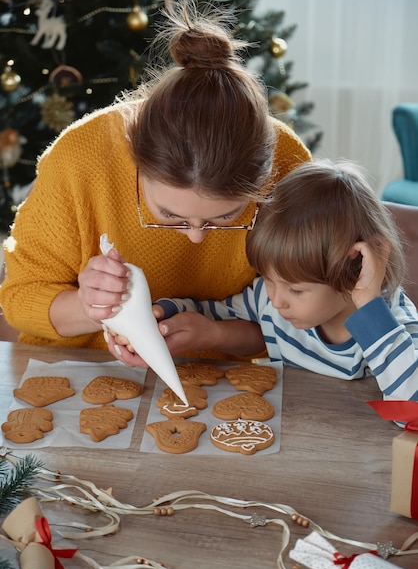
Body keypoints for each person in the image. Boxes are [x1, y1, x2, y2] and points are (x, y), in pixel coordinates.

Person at [0, 0, 310, 360]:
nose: (195, 236)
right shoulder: (80, 159)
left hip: (221, 379)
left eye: (225, 217)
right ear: (134, 157)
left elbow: (305, 321)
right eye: (169, 214)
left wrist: (214, 333)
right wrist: (91, 307)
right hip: (83, 369)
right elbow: (19, 300)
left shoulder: (287, 163)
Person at [153, 159, 418, 400]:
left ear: (355, 268)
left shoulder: (390, 323)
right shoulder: (268, 298)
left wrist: (370, 306)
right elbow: (209, 312)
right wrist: (163, 314)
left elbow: (412, 410)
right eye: (268, 278)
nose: (276, 301)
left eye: (296, 289)